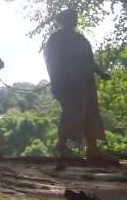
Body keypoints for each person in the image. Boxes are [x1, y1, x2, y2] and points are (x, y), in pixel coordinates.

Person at [43, 8, 115, 161]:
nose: (75, 20)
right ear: (64, 20)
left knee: (90, 112)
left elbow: (89, 59)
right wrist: (57, 81)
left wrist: (100, 72)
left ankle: (92, 148)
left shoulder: (80, 39)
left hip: (85, 82)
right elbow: (52, 61)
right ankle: (62, 145)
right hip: (67, 83)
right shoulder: (56, 39)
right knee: (71, 111)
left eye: (75, 17)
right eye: (72, 17)